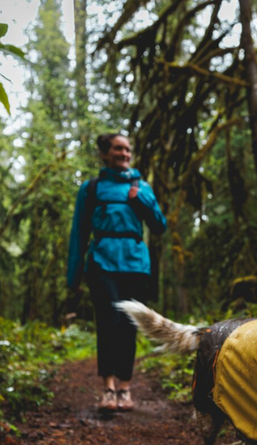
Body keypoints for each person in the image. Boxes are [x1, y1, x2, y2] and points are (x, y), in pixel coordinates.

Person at [67, 133, 166, 412]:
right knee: (108, 321)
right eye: (118, 149)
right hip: (101, 262)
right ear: (105, 154)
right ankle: (108, 388)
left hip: (136, 264)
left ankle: (125, 388)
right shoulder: (91, 188)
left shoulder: (141, 186)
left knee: (128, 324)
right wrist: (73, 277)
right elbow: (79, 233)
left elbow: (159, 226)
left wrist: (141, 201)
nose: (124, 154)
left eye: (127, 149)